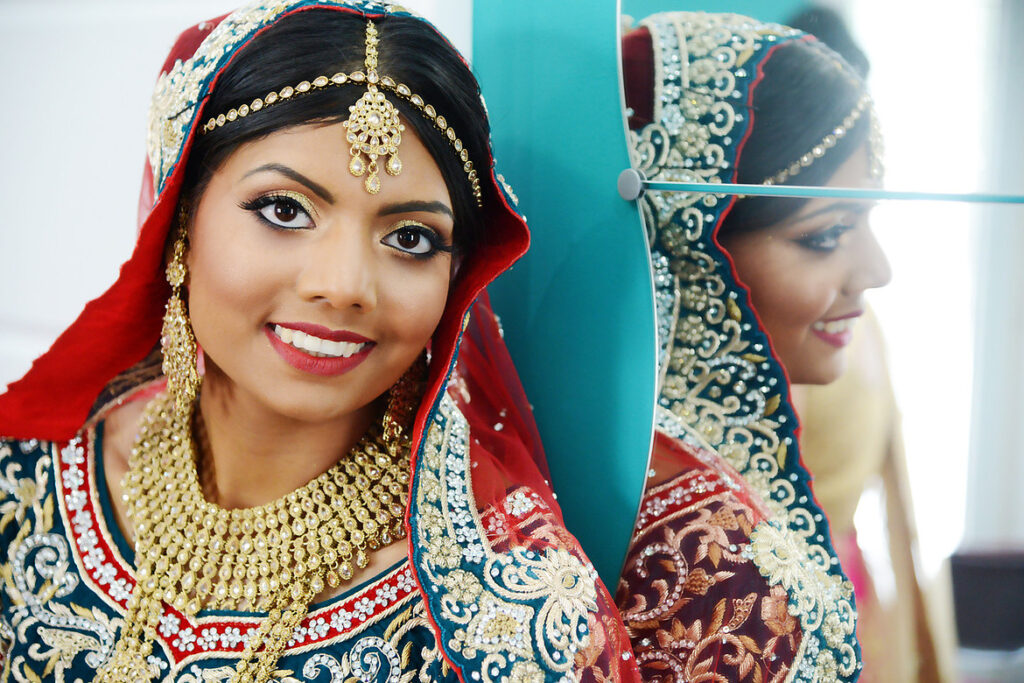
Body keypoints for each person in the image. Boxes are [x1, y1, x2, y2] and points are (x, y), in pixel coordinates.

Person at [0, 2, 640, 680]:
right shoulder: (30, 485)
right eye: (284, 209)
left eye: (410, 238)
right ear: (179, 220)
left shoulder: (512, 620)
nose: (344, 286)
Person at [615, 11, 891, 681]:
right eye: (825, 235)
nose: (878, 270)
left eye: (869, 222)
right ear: (693, 249)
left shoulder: (664, 462)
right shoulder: (718, 563)